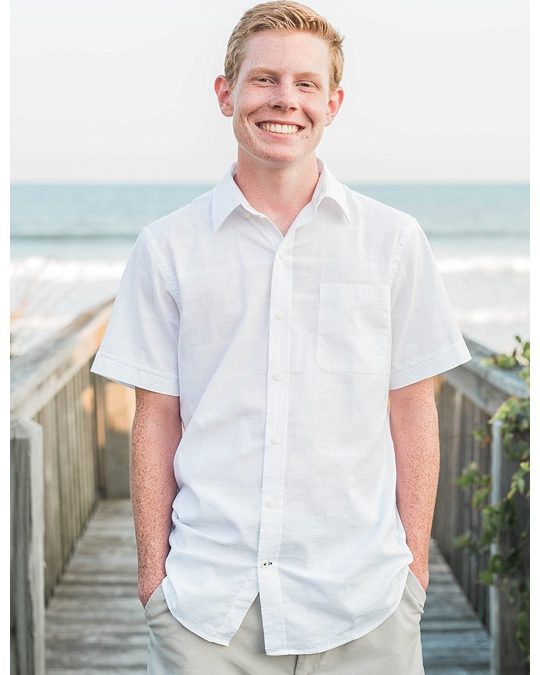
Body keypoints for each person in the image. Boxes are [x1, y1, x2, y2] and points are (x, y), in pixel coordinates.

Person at [90, 2, 472, 673]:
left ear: (333, 102)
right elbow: (156, 419)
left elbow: (412, 406)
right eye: (264, 79)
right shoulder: (167, 249)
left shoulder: (393, 242)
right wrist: (154, 583)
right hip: (208, 611)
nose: (284, 101)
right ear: (226, 93)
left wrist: (413, 576)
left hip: (366, 607)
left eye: (305, 84)